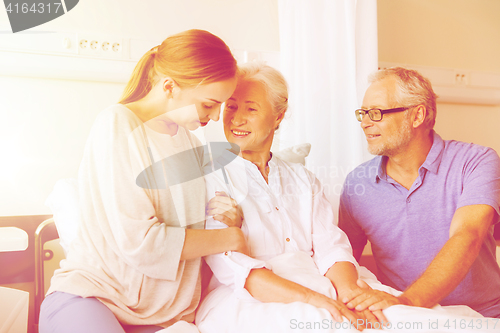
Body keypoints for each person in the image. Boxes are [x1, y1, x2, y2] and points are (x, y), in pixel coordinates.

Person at [195, 63, 495, 333]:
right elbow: (234, 266)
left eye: (250, 109)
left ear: (278, 117)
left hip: (328, 286)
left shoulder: (304, 179)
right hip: (254, 297)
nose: (365, 123)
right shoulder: (209, 177)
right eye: (230, 107)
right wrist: (328, 299)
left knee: (407, 321)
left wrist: (351, 294)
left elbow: (334, 250)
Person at [39, 29, 247, 333]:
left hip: (167, 315)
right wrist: (231, 238)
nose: (216, 116)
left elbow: (184, 223)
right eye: (208, 104)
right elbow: (143, 243)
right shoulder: (118, 124)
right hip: (95, 297)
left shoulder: (189, 143)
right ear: (170, 86)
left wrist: (225, 216)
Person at [338, 67, 500, 318]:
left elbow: (468, 235)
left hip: (483, 315)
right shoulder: (357, 183)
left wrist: (408, 300)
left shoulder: (476, 161)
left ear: (417, 116)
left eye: (376, 113)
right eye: (362, 113)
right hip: (406, 318)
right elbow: (343, 258)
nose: (365, 123)